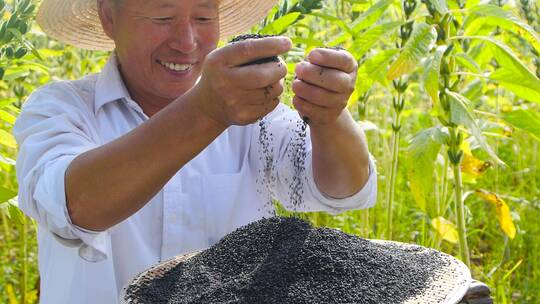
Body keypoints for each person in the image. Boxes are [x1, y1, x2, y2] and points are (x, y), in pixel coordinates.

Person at [14, 0, 378, 303]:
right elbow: (74, 205)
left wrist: (329, 115)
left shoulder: (256, 115)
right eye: (162, 17)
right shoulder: (61, 109)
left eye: (204, 17)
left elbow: (344, 189)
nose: (187, 42)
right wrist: (204, 112)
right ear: (110, 16)